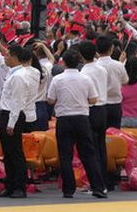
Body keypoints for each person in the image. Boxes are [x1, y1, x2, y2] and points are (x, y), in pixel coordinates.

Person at [46, 49, 107, 199]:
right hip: (82, 119)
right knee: (89, 154)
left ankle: (68, 189)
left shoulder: (57, 79)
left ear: (64, 62)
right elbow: (93, 100)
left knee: (65, 156)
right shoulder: (86, 79)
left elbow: (50, 100)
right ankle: (98, 187)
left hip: (64, 119)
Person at [0, 45, 39, 199]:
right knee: (7, 153)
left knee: (15, 153)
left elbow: (18, 102)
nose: (5, 58)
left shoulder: (19, 76)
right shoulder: (13, 73)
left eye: (7, 56)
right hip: (5, 113)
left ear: (14, 57)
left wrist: (11, 123)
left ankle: (19, 186)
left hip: (12, 115)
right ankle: (10, 185)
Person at [77, 40, 110, 190]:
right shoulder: (102, 69)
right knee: (101, 148)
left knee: (91, 149)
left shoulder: (84, 72)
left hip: (90, 110)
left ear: (81, 55)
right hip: (103, 109)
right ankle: (103, 181)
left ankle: (95, 183)